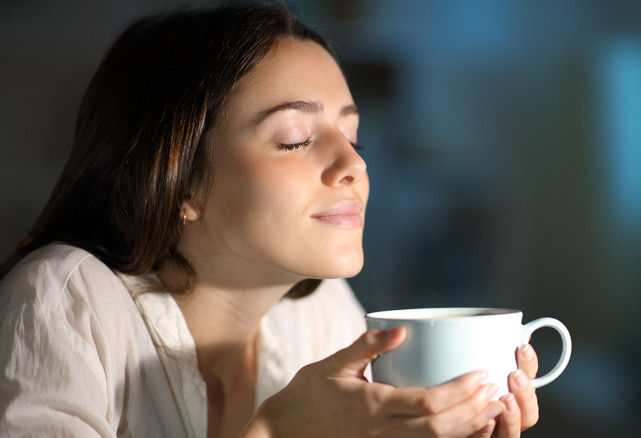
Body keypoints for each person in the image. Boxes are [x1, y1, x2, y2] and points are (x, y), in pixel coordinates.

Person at [0, 2, 540, 437]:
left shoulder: (323, 314)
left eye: (353, 137)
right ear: (181, 182)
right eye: (295, 140)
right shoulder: (65, 298)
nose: (355, 164)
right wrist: (275, 431)